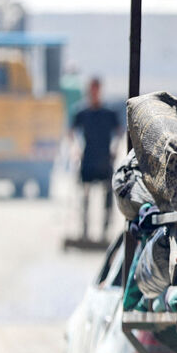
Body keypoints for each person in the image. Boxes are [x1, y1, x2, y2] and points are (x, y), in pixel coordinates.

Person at [71, 77, 121, 241]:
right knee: (84, 196)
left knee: (107, 195)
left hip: (105, 159)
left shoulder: (109, 113)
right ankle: (84, 231)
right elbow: (73, 133)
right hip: (88, 159)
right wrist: (77, 149)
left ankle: (104, 232)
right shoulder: (81, 113)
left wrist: (115, 148)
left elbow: (119, 132)